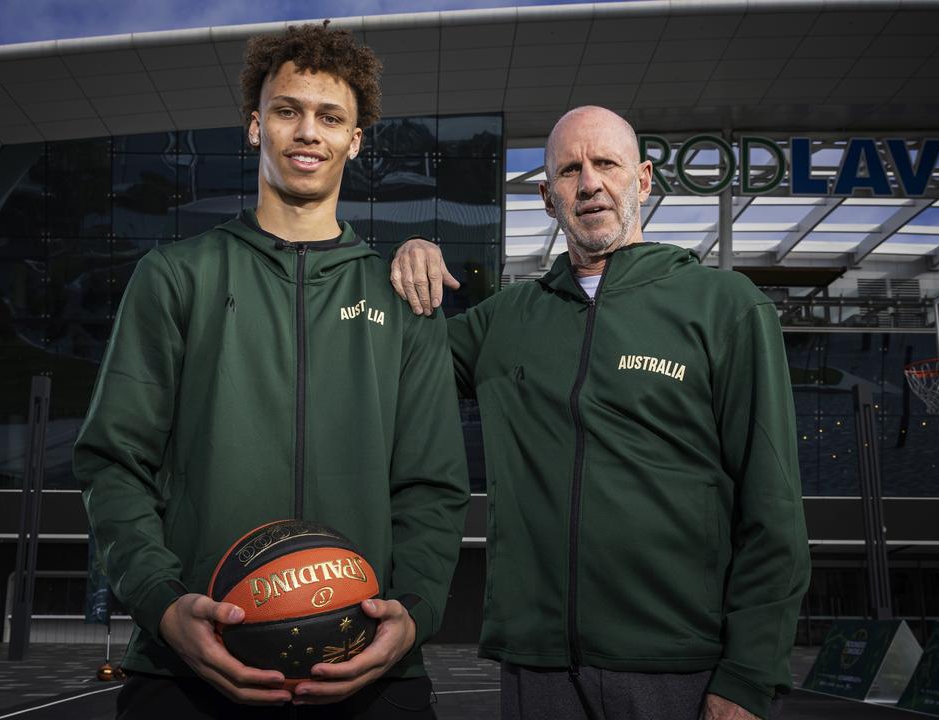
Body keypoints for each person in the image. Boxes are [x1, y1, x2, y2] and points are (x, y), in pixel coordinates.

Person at [76, 23, 470, 719]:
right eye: (287, 110)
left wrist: (411, 613)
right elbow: (114, 463)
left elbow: (433, 490)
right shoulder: (175, 276)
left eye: (330, 117)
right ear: (256, 127)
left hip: (372, 670)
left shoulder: (404, 298)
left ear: (356, 140)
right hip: (188, 669)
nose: (307, 132)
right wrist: (165, 607)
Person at [389, 106, 810, 720]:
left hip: (679, 669)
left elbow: (772, 507)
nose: (589, 183)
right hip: (538, 669)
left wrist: (748, 676)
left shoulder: (725, 306)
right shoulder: (503, 322)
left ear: (641, 181)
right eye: (568, 170)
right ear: (546, 196)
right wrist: (409, 259)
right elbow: (391, 369)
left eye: (606, 164)